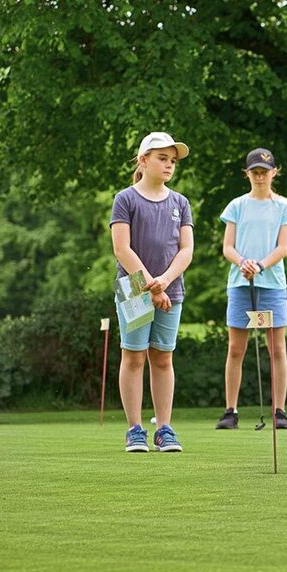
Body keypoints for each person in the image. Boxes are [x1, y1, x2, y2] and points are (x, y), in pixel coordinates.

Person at [109, 132, 195, 453]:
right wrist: (151, 285)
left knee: (162, 357)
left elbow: (186, 250)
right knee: (133, 357)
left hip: (171, 289)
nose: (169, 165)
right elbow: (122, 248)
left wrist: (164, 281)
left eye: (172, 160)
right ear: (143, 160)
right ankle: (135, 430)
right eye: (162, 158)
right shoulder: (125, 199)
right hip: (133, 288)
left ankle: (164, 430)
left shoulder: (180, 203)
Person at [215, 148, 287, 431]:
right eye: (255, 172)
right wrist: (244, 263)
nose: (260, 177)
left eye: (264, 172)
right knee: (235, 348)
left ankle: (279, 410)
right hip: (241, 282)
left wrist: (260, 265)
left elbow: (283, 248)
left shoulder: (284, 206)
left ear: (274, 172)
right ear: (247, 174)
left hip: (272, 284)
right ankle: (231, 410)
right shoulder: (237, 206)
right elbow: (228, 247)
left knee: (277, 348)